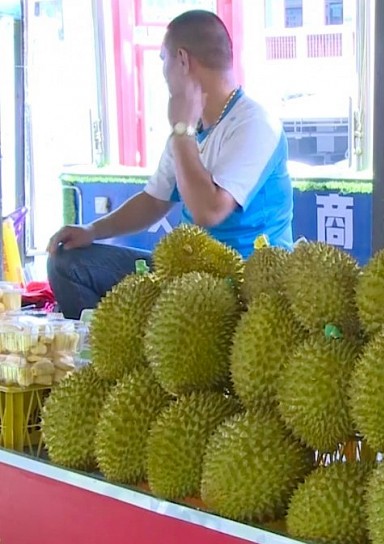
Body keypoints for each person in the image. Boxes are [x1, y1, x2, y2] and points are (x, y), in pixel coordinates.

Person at [46, 10, 293, 320]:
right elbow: (154, 200)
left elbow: (210, 211)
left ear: (182, 60)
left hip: (245, 288)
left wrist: (182, 132)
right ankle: (104, 363)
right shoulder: (190, 129)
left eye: (163, 60)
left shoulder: (255, 124)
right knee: (67, 262)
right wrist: (92, 230)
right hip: (187, 277)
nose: (163, 72)